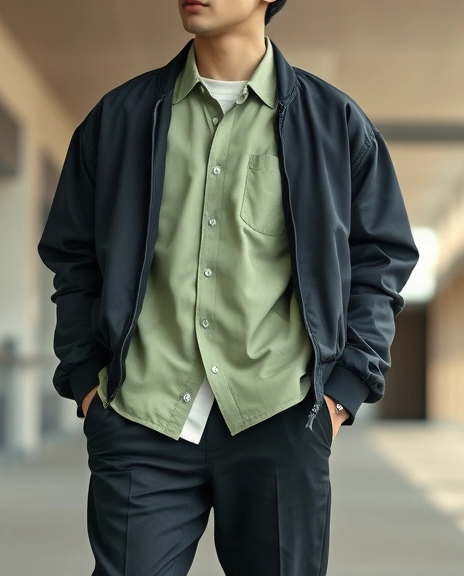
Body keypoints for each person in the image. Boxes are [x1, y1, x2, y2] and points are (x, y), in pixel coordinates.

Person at [38, 1, 418, 574]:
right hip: (143, 413)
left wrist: (341, 393)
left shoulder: (334, 123)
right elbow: (72, 257)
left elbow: (381, 259)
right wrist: (89, 382)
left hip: (281, 413)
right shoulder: (118, 119)